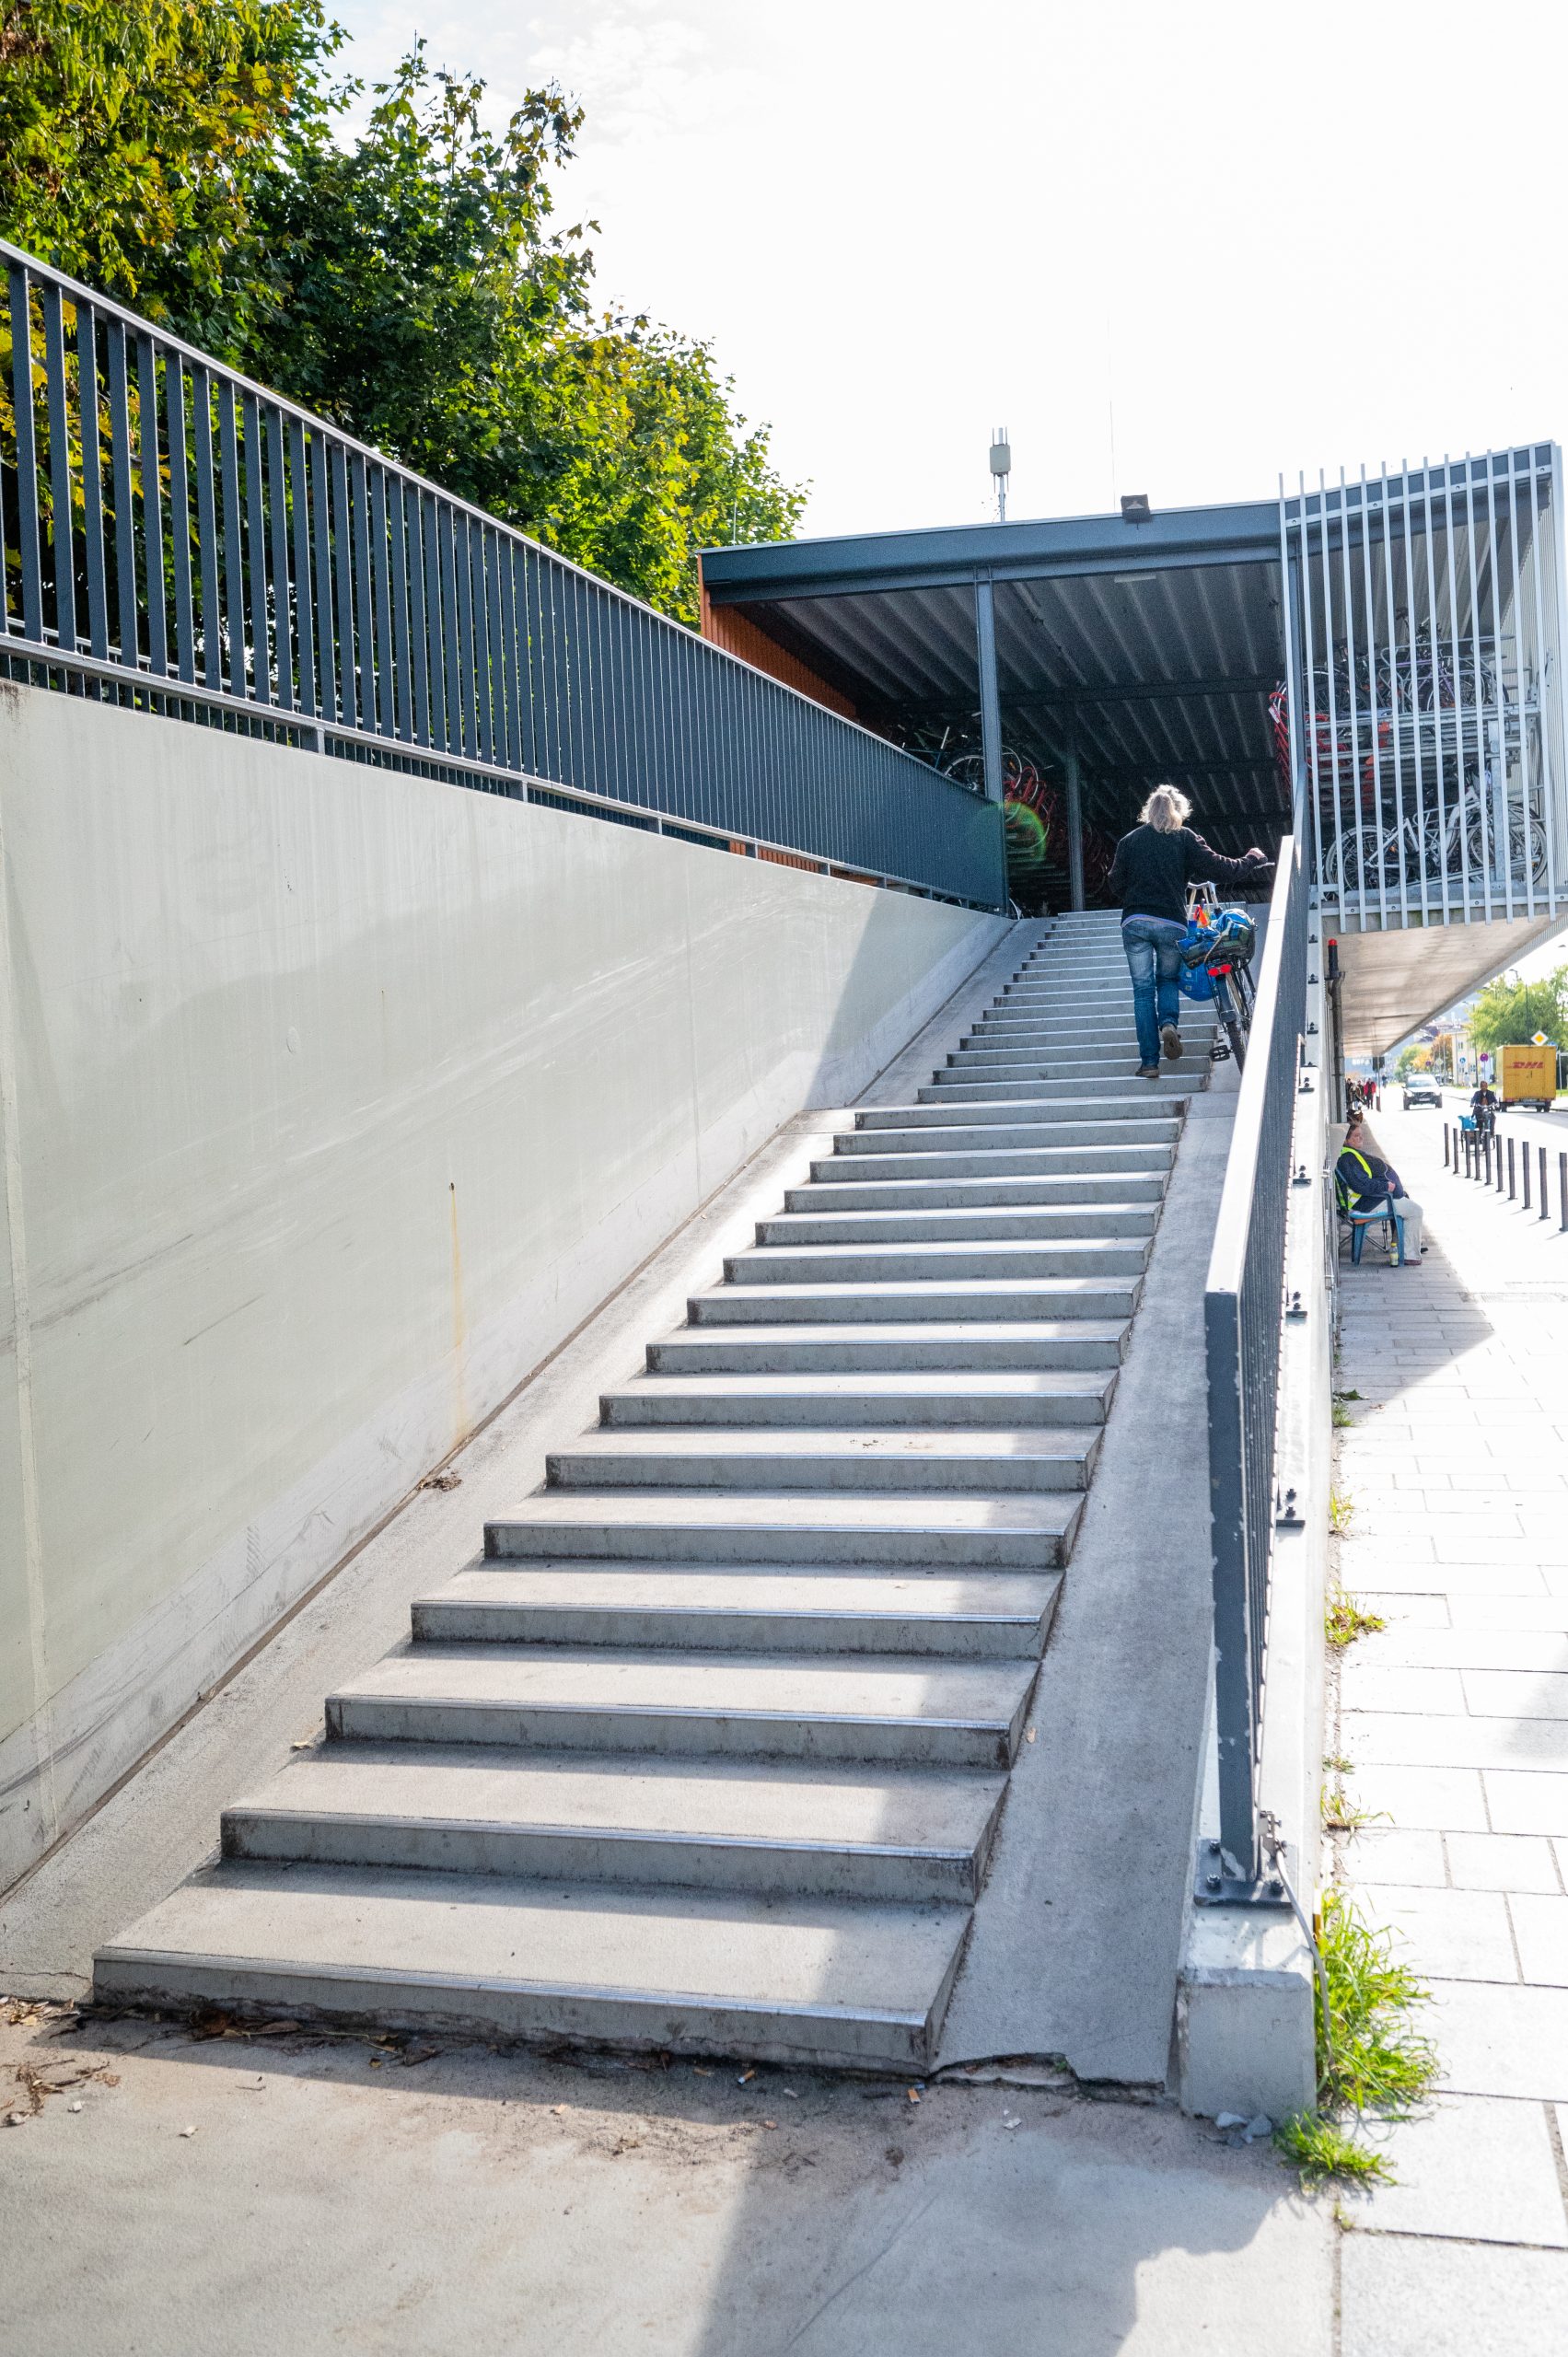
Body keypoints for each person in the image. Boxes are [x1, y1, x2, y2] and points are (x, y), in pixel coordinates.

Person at [1107, 785, 1272, 1078]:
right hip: (1171, 922)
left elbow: (1115, 884)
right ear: (1179, 811)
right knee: (1168, 980)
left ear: (1148, 811)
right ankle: (1169, 1024)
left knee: (1143, 992)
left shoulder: (1129, 841)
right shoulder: (1185, 838)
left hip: (1135, 922)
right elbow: (1220, 868)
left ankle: (1149, 1063)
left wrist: (1138, 889)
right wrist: (1251, 859)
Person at [1337, 1115, 1424, 1263]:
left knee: (1405, 1199)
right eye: (1356, 1136)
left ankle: (1404, 1246)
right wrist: (1385, 1186)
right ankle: (1409, 1255)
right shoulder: (1348, 1158)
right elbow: (1361, 1184)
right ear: (1346, 1140)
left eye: (1361, 1135)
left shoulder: (1350, 1155)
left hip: (1371, 1200)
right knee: (1415, 1211)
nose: (1361, 1138)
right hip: (1367, 1204)